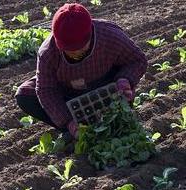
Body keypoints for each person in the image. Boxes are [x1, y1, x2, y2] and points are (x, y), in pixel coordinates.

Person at [15, 3, 147, 139]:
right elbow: (46, 89)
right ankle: (74, 129)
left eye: (80, 48)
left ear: (90, 33)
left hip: (106, 87)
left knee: (119, 93)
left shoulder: (110, 35)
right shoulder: (48, 52)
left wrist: (124, 80)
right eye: (69, 50)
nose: (75, 53)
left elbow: (137, 60)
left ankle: (118, 119)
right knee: (24, 95)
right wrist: (67, 121)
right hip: (70, 95)